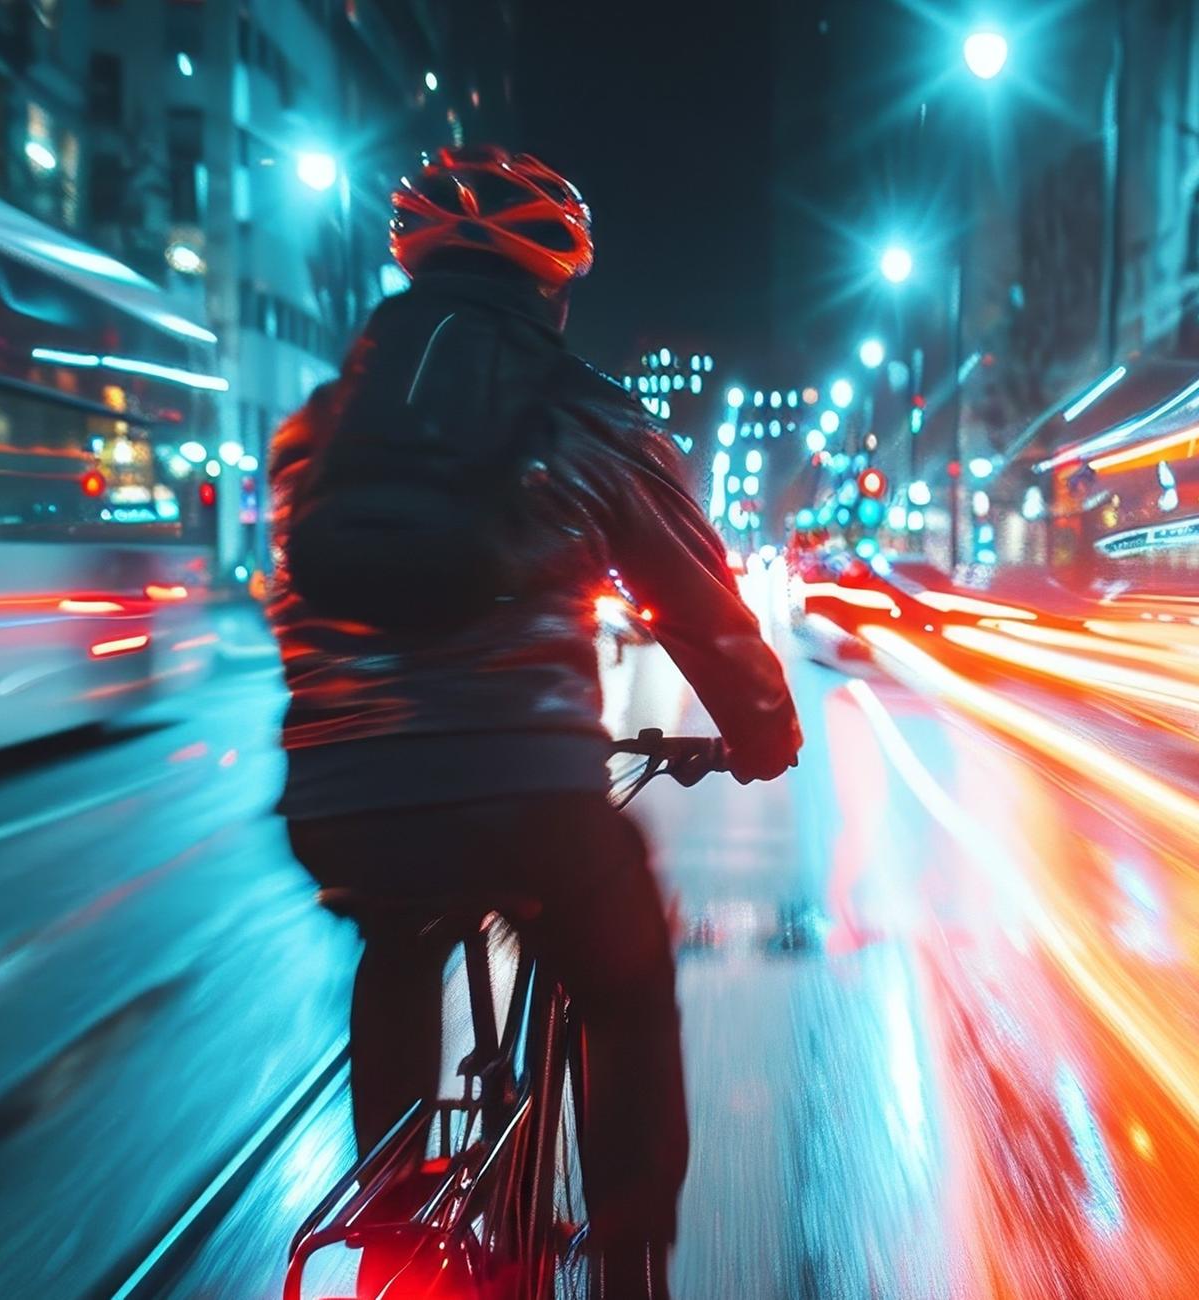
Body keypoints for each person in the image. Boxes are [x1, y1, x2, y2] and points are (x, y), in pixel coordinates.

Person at [268, 146, 802, 1299]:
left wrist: (343, 739)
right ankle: (627, 1259)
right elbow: (698, 609)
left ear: (409, 267)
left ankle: (391, 1216)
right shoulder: (594, 418)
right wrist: (760, 730)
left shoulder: (317, 430)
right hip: (523, 787)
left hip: (338, 794)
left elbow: (292, 604)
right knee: (623, 979)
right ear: (554, 281)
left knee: (396, 940)